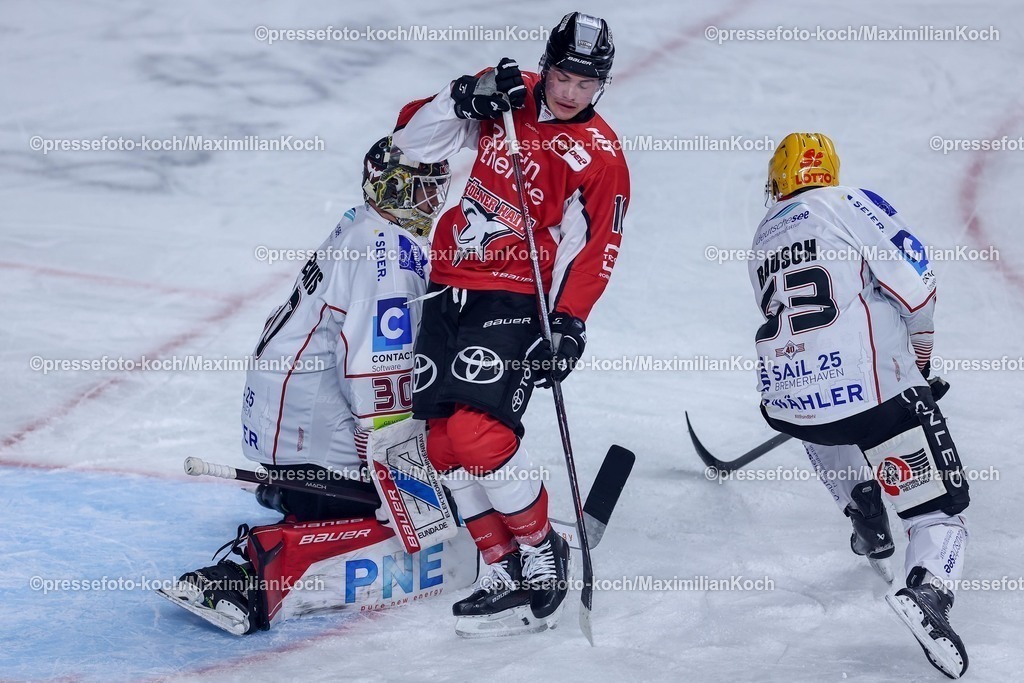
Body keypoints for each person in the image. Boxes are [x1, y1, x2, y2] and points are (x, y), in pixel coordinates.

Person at [157, 136, 478, 635]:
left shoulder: (363, 221)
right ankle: (259, 569)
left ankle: (304, 496)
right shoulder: (389, 253)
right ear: (395, 189)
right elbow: (377, 368)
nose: (434, 201)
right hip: (313, 427)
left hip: (287, 413)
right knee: (436, 522)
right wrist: (401, 469)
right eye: (424, 189)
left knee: (432, 487)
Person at [390, 11, 630, 636]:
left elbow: (600, 246)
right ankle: (503, 564)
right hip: (446, 289)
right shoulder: (503, 94)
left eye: (587, 82)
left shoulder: (601, 156)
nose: (572, 91)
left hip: (515, 299)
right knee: (441, 445)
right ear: (546, 64)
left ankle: (543, 546)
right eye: (564, 75)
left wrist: (570, 323)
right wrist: (460, 96)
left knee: (475, 437)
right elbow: (411, 140)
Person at [751, 132, 970, 678]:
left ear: (778, 181)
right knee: (938, 513)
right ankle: (930, 592)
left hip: (791, 403)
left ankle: (864, 509)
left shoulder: (762, 234)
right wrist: (919, 349)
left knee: (819, 419)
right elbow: (914, 278)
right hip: (877, 399)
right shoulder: (845, 200)